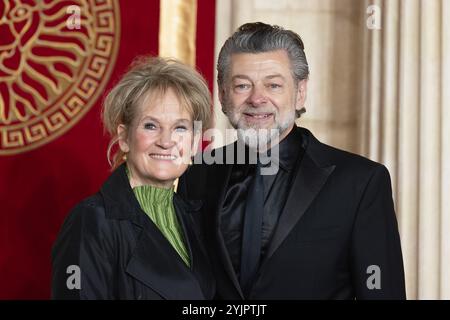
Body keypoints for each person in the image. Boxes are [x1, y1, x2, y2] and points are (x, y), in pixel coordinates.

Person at [178, 22, 406, 299]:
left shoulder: (360, 182)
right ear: (224, 95)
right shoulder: (198, 174)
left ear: (299, 93)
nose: (257, 98)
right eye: (242, 85)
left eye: (273, 85)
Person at [51, 56, 215, 299]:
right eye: (151, 126)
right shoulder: (91, 221)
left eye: (180, 128)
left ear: (194, 142)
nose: (166, 141)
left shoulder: (198, 219)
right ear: (124, 137)